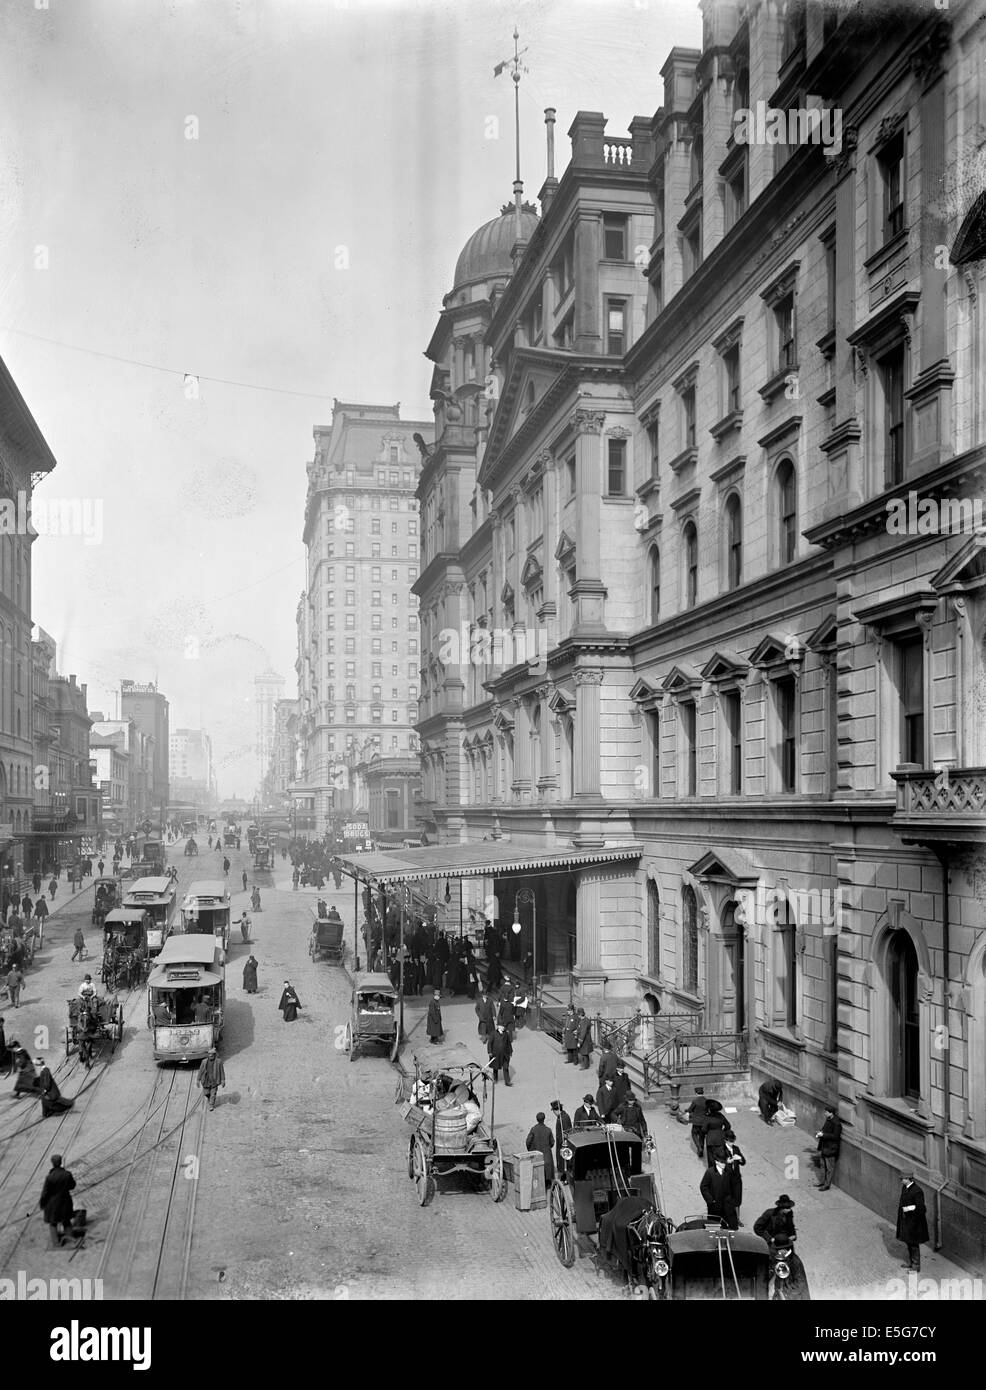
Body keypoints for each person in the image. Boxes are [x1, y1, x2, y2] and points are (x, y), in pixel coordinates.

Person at [39, 1155, 76, 1248]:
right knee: (66, 1221)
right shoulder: (67, 1174)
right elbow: (72, 1186)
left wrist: (42, 1203)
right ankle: (69, 1239)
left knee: (53, 1223)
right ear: (61, 1162)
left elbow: (45, 1193)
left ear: (52, 1163)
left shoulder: (49, 1177)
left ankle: (56, 1243)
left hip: (53, 1204)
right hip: (65, 1201)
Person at [896, 1173, 929, 1272]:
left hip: (915, 1223)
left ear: (908, 1179)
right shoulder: (905, 1187)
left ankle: (916, 1266)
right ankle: (911, 1263)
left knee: (914, 1244)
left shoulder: (917, 1191)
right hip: (906, 1221)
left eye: (902, 1179)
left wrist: (909, 1208)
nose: (901, 1180)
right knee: (909, 1242)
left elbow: (921, 1208)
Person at [700, 1154, 738, 1230]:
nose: (724, 1164)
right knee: (714, 1226)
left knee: (730, 1226)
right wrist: (710, 1200)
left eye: (724, 1162)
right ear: (716, 1162)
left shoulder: (728, 1171)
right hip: (715, 1205)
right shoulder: (710, 1172)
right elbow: (703, 1187)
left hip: (727, 1204)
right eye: (722, 1162)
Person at [815, 1104, 842, 1191]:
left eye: (826, 1112)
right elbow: (825, 1129)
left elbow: (835, 1136)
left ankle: (827, 1185)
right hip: (824, 1146)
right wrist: (820, 1132)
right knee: (822, 1165)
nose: (825, 1113)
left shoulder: (836, 1123)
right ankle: (822, 1181)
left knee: (829, 1168)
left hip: (831, 1148)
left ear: (831, 1113)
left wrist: (823, 1135)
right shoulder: (828, 1119)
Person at [525, 1112, 555, 1184]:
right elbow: (552, 1142)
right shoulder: (548, 1130)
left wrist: (530, 1150)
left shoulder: (533, 1129)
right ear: (544, 1119)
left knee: (538, 1179)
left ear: (537, 1119)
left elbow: (528, 1141)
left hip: (537, 1158)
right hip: (547, 1159)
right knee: (548, 1182)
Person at [198, 1047, 225, 1111]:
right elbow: (200, 1071)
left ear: (215, 1055)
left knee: (213, 1094)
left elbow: (222, 1071)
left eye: (212, 1054)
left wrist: (223, 1080)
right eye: (209, 1054)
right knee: (206, 1093)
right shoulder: (204, 1062)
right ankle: (209, 1098)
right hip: (206, 1080)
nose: (211, 1056)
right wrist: (198, 1079)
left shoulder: (219, 1062)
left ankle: (211, 1105)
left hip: (214, 1080)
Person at [550, 1099, 573, 1176]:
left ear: (556, 1110)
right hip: (561, 1143)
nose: (553, 1112)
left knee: (564, 1162)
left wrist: (564, 1143)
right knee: (562, 1162)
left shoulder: (564, 1118)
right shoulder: (561, 1117)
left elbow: (566, 1132)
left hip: (564, 1145)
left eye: (553, 1110)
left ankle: (566, 1177)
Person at [687, 1087, 708, 1159]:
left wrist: (687, 1110)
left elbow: (690, 1110)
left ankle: (699, 1147)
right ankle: (701, 1151)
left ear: (696, 1093)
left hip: (696, 1122)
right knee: (702, 1136)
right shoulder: (706, 1100)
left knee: (694, 1134)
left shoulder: (695, 1101)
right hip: (704, 1121)